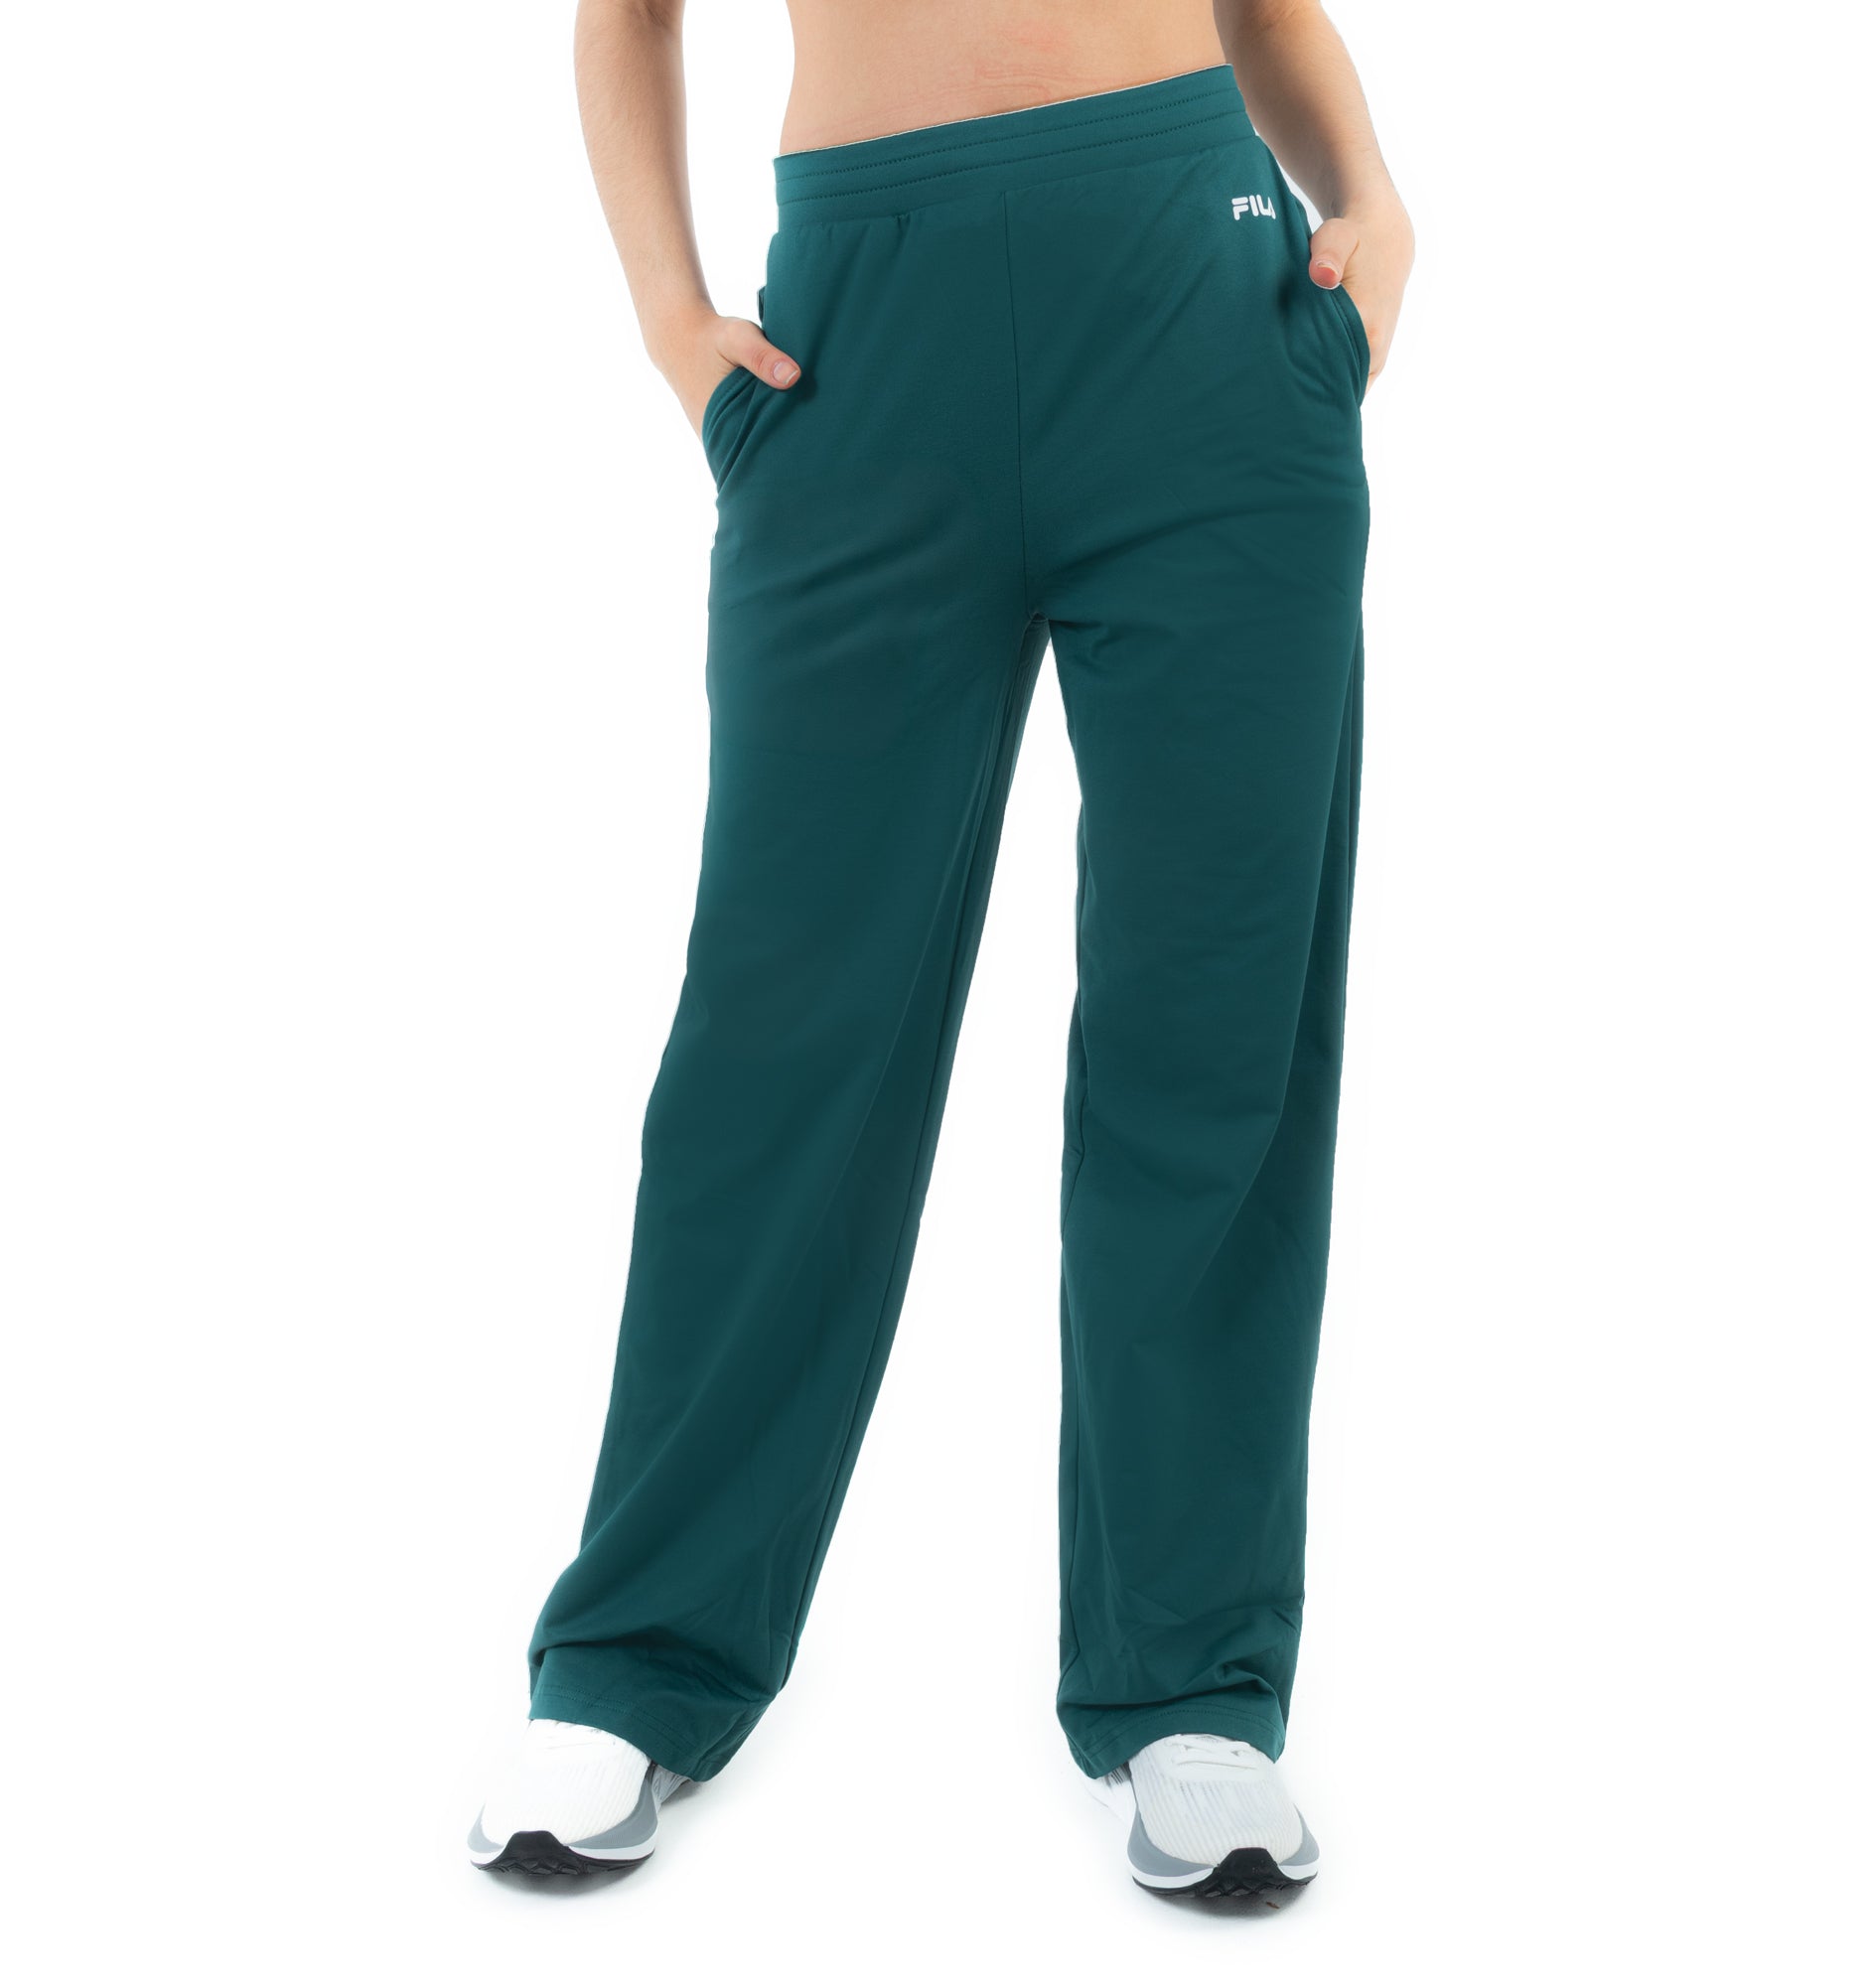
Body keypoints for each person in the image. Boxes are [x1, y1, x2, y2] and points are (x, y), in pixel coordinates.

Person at [469, 0, 1412, 1899]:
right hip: (859, 337)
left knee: (1211, 1033)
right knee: (780, 1031)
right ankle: (639, 1654)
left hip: (1199, 304)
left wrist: (1374, 208)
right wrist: (668, 319)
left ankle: (1194, 1688)